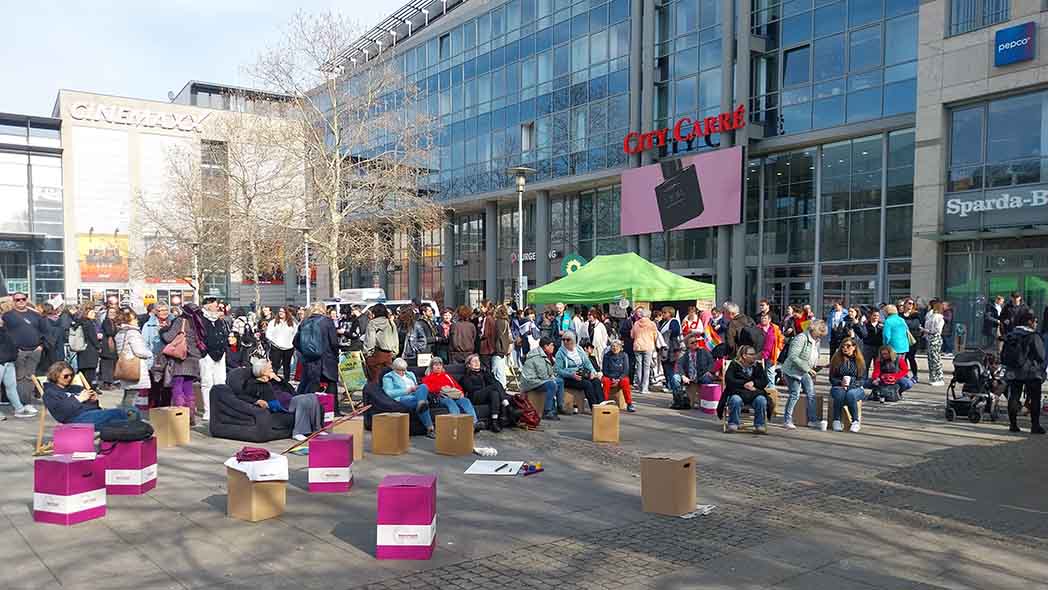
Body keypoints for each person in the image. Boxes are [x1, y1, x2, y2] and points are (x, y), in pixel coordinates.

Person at [240, 358, 324, 441]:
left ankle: (317, 429)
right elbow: (243, 395)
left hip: (290, 400)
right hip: (280, 404)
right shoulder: (253, 383)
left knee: (312, 397)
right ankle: (297, 432)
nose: (272, 370)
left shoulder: (274, 380)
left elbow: (290, 389)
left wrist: (278, 379)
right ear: (263, 371)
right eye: (269, 368)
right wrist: (257, 401)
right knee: (302, 401)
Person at [42, 361, 138, 430]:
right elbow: (61, 413)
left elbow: (94, 408)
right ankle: (134, 434)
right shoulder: (50, 393)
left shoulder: (75, 388)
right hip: (74, 419)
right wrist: (78, 399)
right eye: (66, 376)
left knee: (132, 412)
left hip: (91, 415)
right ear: (55, 375)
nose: (69, 378)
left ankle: (130, 436)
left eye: (71, 375)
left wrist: (93, 401)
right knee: (118, 414)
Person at [1001, 311, 1045, 434]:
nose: (1036, 323)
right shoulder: (1033, 336)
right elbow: (1041, 356)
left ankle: (1013, 425)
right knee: (1035, 398)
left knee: (1014, 396)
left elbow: (1003, 355)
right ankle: (1035, 426)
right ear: (1029, 322)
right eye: (1035, 321)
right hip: (1031, 371)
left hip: (1013, 371)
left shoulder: (1011, 335)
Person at [2, 292, 48, 410]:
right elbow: (4, 334)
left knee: (30, 377)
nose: (21, 301)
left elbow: (44, 331)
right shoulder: (7, 316)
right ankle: (21, 403)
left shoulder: (36, 315)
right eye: (17, 300)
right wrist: (14, 347)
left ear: (26, 300)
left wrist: (41, 346)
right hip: (19, 351)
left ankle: (27, 402)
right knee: (20, 377)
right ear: (14, 301)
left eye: (23, 299)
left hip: (35, 350)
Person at [160, 302, 204, 425]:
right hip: (194, 359)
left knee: (177, 386)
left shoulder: (181, 321)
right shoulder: (198, 323)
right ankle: (190, 417)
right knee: (189, 388)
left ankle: (181, 417)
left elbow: (168, 337)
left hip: (181, 358)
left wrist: (162, 330)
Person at [781, 319, 828, 430]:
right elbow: (793, 356)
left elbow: (813, 355)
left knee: (811, 393)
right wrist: (807, 369)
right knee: (795, 393)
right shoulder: (801, 338)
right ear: (814, 329)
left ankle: (812, 420)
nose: (821, 336)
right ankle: (787, 420)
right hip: (792, 371)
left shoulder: (816, 340)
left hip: (805, 371)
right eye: (820, 333)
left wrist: (816, 366)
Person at [718, 346, 772, 434]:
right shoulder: (734, 365)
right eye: (751, 354)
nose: (754, 356)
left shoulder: (757, 366)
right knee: (735, 400)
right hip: (738, 392)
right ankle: (733, 424)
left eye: (754, 354)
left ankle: (759, 425)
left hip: (754, 393)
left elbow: (764, 381)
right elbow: (729, 380)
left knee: (761, 400)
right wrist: (744, 384)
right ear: (744, 355)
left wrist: (753, 383)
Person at [0, 297, 38, 417]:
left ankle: (19, 409)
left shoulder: (9, 325)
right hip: (2, 360)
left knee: (11, 385)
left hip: (9, 359)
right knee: (10, 385)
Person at [381, 358, 436, 438]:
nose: (402, 372)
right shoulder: (389, 377)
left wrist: (416, 389)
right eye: (400, 370)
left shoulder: (410, 374)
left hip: (415, 395)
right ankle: (430, 429)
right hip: (402, 397)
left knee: (423, 386)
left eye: (404, 370)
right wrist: (408, 390)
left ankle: (421, 402)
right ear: (394, 368)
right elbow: (389, 393)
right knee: (424, 402)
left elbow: (417, 386)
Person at [294, 303, 339, 396]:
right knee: (330, 387)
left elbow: (295, 342)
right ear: (323, 310)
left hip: (310, 361)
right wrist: (336, 355)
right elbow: (334, 342)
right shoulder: (327, 321)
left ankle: (311, 408)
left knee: (311, 388)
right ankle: (331, 409)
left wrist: (306, 352)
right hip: (327, 360)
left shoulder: (304, 322)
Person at [113, 309, 154, 411]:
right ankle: (130, 420)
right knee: (133, 397)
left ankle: (125, 417)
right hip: (134, 367)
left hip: (124, 367)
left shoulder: (120, 333)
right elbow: (139, 351)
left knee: (128, 395)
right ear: (128, 320)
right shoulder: (133, 333)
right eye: (134, 318)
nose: (137, 320)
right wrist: (150, 353)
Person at [421, 357, 479, 426]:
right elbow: (428, 389)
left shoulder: (447, 376)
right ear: (431, 367)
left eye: (440, 365)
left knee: (465, 400)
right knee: (450, 402)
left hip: (454, 395)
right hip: (441, 397)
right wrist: (441, 388)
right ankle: (456, 425)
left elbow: (457, 387)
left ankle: (474, 423)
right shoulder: (427, 378)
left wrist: (461, 393)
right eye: (436, 365)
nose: (438, 367)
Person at [460, 354, 511, 432]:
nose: (477, 362)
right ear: (468, 365)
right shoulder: (466, 376)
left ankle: (494, 421)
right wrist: (486, 389)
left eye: (478, 360)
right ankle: (508, 407)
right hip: (474, 397)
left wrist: (487, 375)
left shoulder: (484, 373)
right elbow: (470, 389)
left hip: (485, 395)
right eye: (474, 361)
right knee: (493, 388)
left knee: (494, 393)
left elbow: (495, 382)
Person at [555, 330, 602, 412]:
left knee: (596, 381)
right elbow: (558, 370)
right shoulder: (560, 353)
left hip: (582, 374)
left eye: (568, 339)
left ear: (573, 340)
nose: (565, 341)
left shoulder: (579, 349)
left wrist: (593, 372)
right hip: (568, 378)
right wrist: (572, 375)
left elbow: (587, 363)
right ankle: (594, 408)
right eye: (563, 340)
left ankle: (601, 405)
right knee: (587, 384)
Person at [198, 297, 229, 421]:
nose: (217, 306)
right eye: (215, 304)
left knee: (220, 381)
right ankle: (208, 411)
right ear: (207, 305)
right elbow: (198, 336)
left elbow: (223, 334)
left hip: (220, 354)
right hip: (206, 355)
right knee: (207, 383)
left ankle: (220, 409)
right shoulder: (200, 319)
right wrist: (204, 352)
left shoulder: (218, 320)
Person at [519, 336, 563, 421]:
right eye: (551, 345)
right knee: (552, 384)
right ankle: (547, 411)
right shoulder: (538, 356)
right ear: (546, 346)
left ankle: (560, 407)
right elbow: (543, 376)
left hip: (537, 379)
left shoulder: (545, 354)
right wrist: (552, 377)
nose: (553, 347)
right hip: (530, 381)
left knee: (560, 381)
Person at [828, 337, 865, 432]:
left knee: (850, 394)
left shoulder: (860, 361)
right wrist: (841, 383)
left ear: (854, 347)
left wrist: (851, 383)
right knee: (840, 394)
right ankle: (836, 420)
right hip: (838, 387)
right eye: (843, 346)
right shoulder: (836, 359)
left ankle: (855, 421)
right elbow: (832, 378)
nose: (845, 348)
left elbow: (863, 379)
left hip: (856, 387)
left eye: (848, 346)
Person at [671, 334, 715, 410]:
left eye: (696, 341)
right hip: (689, 378)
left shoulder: (704, 351)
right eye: (692, 342)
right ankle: (678, 401)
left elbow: (711, 362)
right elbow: (679, 365)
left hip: (701, 376)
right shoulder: (685, 355)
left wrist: (709, 371)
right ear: (688, 345)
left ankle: (705, 403)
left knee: (707, 379)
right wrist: (683, 376)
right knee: (675, 378)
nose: (695, 343)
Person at [364, 303, 398, 383]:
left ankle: (375, 394)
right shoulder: (390, 322)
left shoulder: (372, 323)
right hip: (389, 355)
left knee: (375, 379)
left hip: (376, 353)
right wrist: (394, 351)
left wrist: (367, 353)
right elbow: (395, 338)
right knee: (387, 379)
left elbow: (370, 340)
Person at [601, 339, 635, 412]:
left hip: (621, 377)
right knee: (605, 380)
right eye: (613, 346)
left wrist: (619, 379)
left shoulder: (624, 355)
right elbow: (605, 370)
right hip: (610, 376)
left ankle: (629, 403)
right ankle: (604, 401)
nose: (615, 348)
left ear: (620, 347)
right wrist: (612, 378)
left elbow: (626, 370)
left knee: (625, 381)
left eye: (617, 346)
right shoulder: (607, 356)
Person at [72, 307, 101, 389]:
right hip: (90, 350)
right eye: (91, 313)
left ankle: (82, 388)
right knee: (90, 373)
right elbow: (92, 337)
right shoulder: (89, 324)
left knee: (83, 372)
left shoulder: (79, 322)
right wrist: (98, 346)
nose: (94, 314)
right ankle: (90, 388)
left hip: (81, 349)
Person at [631, 307, 658, 394]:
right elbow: (655, 336)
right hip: (648, 346)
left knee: (638, 366)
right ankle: (644, 388)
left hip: (637, 346)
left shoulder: (636, 323)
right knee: (646, 367)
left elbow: (632, 335)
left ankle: (639, 386)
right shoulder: (652, 324)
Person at [266, 307, 297, 383]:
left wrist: (292, 343)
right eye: (280, 311)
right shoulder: (273, 322)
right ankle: (274, 381)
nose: (281, 313)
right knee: (275, 366)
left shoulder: (292, 323)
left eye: (283, 312)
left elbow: (295, 333)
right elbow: (268, 334)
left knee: (287, 365)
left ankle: (286, 382)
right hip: (276, 347)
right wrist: (274, 342)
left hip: (288, 347)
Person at [658, 306, 682, 394]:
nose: (663, 314)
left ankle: (672, 385)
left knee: (670, 366)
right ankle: (668, 384)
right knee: (665, 366)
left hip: (671, 347)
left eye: (665, 313)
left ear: (670, 313)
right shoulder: (664, 322)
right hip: (665, 347)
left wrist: (667, 334)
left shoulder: (674, 321)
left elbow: (675, 331)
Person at [923, 300, 946, 386]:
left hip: (934, 338)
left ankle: (938, 378)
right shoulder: (933, 316)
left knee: (935, 358)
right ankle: (933, 377)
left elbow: (937, 330)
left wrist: (926, 330)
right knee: (932, 358)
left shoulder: (938, 317)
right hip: (931, 338)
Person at [881, 304, 910, 373]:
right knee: (901, 364)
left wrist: (885, 345)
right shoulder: (901, 320)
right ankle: (902, 378)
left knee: (893, 367)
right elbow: (906, 330)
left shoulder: (888, 321)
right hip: (904, 346)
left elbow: (886, 335)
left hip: (893, 347)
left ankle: (895, 380)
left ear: (887, 312)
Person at [758, 312, 784, 386]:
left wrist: (779, 348)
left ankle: (771, 388)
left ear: (769, 320)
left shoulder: (775, 328)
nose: (763, 320)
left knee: (770, 371)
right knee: (762, 371)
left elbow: (780, 338)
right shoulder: (757, 328)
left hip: (772, 353)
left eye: (765, 318)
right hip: (761, 354)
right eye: (762, 318)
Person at [857, 309, 883, 378]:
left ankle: (876, 378)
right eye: (874, 315)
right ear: (870, 316)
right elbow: (863, 335)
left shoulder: (882, 325)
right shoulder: (866, 324)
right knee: (865, 364)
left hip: (878, 347)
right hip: (868, 347)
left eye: (877, 315)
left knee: (877, 365)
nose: (876, 317)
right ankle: (864, 379)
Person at [491, 305, 512, 387]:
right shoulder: (506, 322)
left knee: (497, 373)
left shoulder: (498, 322)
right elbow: (509, 337)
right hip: (504, 350)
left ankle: (501, 392)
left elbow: (495, 336)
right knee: (501, 372)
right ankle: (503, 388)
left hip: (498, 349)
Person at [99, 307, 119, 389]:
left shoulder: (114, 322)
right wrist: (118, 329)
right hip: (107, 347)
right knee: (107, 365)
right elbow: (109, 332)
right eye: (110, 312)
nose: (112, 314)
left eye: (114, 312)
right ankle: (106, 383)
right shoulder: (106, 321)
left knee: (111, 365)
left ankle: (110, 382)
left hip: (112, 346)